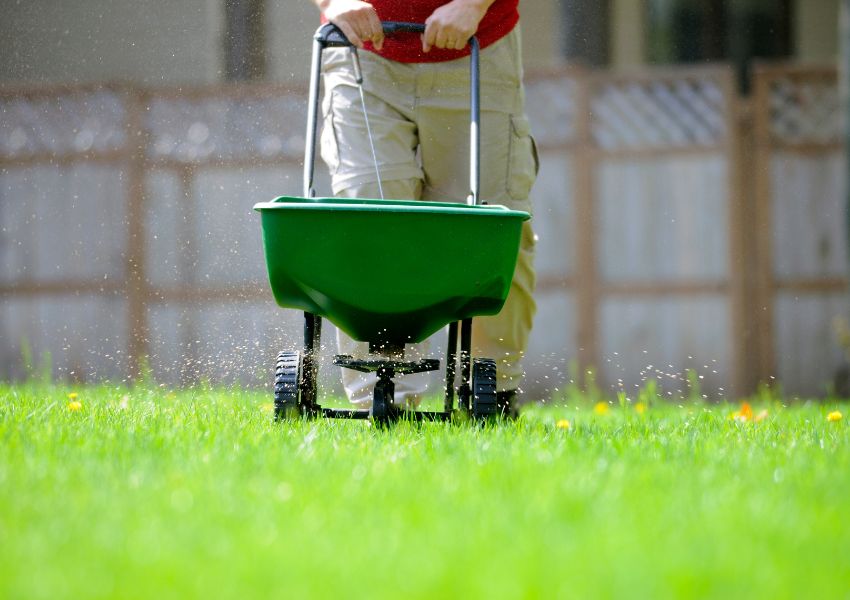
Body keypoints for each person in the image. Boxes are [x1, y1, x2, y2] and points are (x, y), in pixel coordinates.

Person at [310, 0, 538, 416]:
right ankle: (382, 398)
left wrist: (473, 5)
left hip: (478, 47)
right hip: (363, 55)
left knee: (493, 225)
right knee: (370, 216)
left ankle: (491, 391)